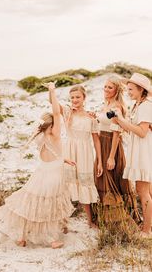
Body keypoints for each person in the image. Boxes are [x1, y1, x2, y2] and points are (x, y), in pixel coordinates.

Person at [0, 82, 75, 248]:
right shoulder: (55, 134)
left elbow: (51, 154)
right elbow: (57, 112)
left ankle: (21, 236)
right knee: (48, 204)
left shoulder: (39, 136)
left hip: (41, 173)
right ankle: (50, 238)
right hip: (53, 175)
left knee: (30, 203)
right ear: (52, 125)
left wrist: (64, 159)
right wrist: (52, 90)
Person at [94, 75, 140, 224]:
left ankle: (119, 220)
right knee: (102, 178)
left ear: (116, 90)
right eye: (105, 86)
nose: (106, 89)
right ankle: (107, 219)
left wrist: (112, 156)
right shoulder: (106, 104)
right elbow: (103, 124)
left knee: (112, 180)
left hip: (111, 146)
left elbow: (116, 133)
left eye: (110, 87)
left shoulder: (116, 107)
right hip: (102, 143)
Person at [113, 73, 152, 237]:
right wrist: (120, 122)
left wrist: (121, 120)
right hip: (140, 148)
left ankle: (147, 229)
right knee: (146, 190)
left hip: (143, 150)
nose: (128, 92)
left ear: (140, 89)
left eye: (130, 89)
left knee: (143, 190)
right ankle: (148, 224)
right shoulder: (139, 104)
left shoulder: (145, 106)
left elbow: (142, 132)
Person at [59, 85, 102, 228]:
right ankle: (63, 221)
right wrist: (52, 90)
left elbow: (96, 140)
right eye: (72, 97)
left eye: (78, 97)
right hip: (69, 150)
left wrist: (100, 161)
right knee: (66, 186)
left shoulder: (91, 117)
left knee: (85, 184)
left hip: (85, 153)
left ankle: (90, 220)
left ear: (84, 98)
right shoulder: (67, 112)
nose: (75, 100)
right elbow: (53, 103)